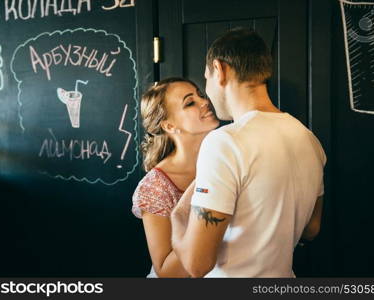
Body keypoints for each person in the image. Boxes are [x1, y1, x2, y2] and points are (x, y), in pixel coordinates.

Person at [171, 28, 327, 278]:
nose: (207, 94)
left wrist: (177, 219)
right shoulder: (309, 140)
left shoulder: (225, 142)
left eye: (206, 79)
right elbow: (312, 229)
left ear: (219, 69)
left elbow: (196, 264)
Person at [131, 77, 219, 277]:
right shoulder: (155, 186)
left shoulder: (226, 159)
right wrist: (207, 227)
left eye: (200, 95)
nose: (205, 102)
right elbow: (166, 273)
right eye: (190, 103)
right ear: (169, 126)